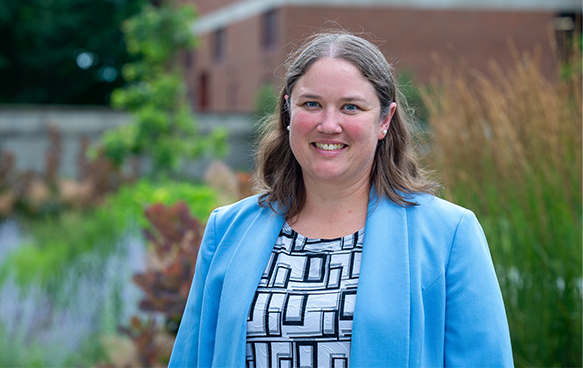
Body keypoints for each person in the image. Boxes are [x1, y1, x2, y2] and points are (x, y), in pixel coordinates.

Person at [168, 32, 513, 367]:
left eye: (351, 107)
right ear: (288, 112)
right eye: (312, 104)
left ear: (384, 120)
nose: (329, 124)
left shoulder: (449, 235)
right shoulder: (227, 230)